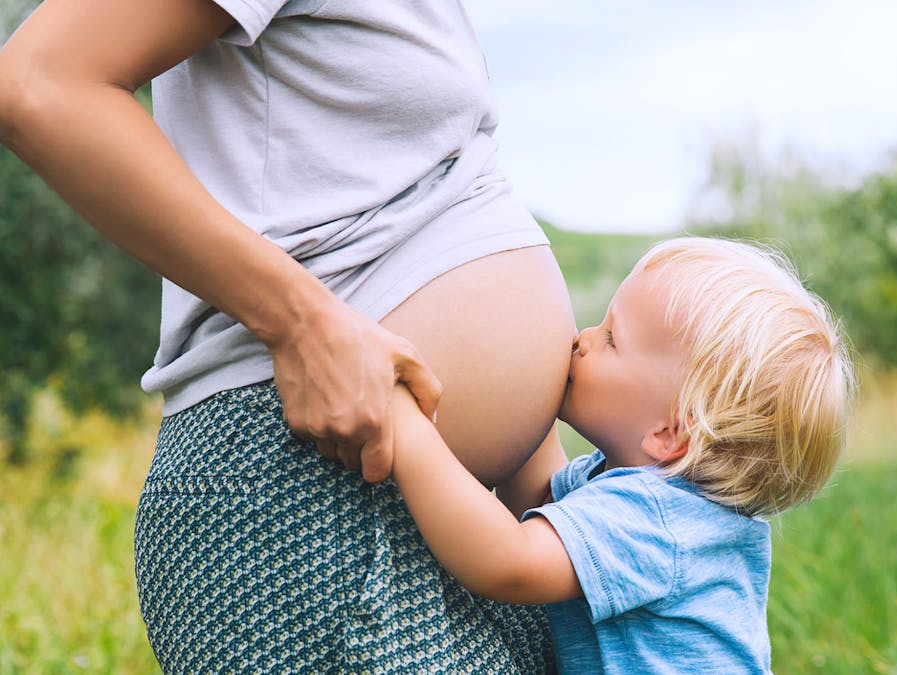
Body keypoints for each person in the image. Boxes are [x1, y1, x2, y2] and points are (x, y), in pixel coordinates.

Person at [0, 0, 575, 672]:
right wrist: (302, 321)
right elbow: (40, 83)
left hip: (455, 519)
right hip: (305, 495)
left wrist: (539, 458)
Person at [388, 237, 856, 674]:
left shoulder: (658, 519)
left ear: (669, 432)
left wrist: (405, 424)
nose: (583, 339)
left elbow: (509, 563)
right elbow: (533, 498)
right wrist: (527, 375)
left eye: (612, 339)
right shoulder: (635, 489)